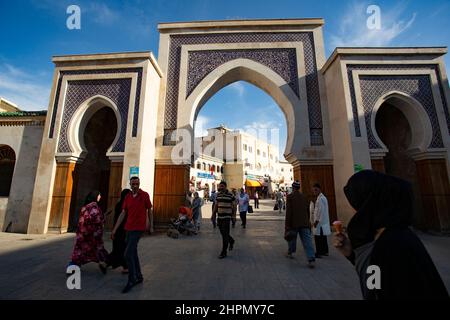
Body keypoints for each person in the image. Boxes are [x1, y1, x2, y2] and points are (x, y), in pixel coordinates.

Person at [333, 170, 449, 300]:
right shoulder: (382, 237)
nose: (354, 209)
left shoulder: (395, 243)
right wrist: (352, 255)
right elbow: (376, 280)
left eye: (356, 201)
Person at [112, 177, 152, 294]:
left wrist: (151, 224)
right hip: (128, 228)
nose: (135, 185)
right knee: (133, 252)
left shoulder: (144, 195)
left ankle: (132, 278)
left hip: (138, 228)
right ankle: (138, 276)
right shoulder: (128, 197)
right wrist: (115, 229)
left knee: (128, 253)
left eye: (137, 184)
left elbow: (149, 210)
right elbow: (123, 213)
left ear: (139, 184)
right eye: (133, 184)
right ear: (130, 184)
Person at [68, 191, 108, 274]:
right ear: (96, 196)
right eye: (99, 195)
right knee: (97, 249)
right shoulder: (94, 208)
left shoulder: (86, 207)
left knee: (79, 251)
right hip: (92, 234)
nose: (100, 197)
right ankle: (103, 263)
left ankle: (73, 267)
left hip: (83, 233)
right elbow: (97, 220)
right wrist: (104, 218)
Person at [285, 181, 316, 268]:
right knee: (307, 241)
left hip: (294, 222)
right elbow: (308, 210)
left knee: (292, 238)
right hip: (304, 222)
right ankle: (311, 258)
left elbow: (289, 212)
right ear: (299, 187)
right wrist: (308, 221)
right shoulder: (304, 197)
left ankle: (290, 252)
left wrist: (287, 224)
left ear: (293, 187)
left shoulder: (290, 197)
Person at [106, 189, 131, 273]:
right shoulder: (126, 205)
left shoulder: (118, 205)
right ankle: (106, 263)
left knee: (119, 249)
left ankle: (125, 266)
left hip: (117, 230)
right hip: (124, 230)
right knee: (122, 249)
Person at [213, 181, 236, 259]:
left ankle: (224, 252)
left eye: (222, 186)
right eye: (220, 186)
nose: (221, 187)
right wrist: (213, 214)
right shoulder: (218, 195)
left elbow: (234, 206)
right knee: (222, 233)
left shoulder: (230, 195)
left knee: (225, 235)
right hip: (219, 217)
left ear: (225, 187)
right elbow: (216, 205)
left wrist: (234, 216)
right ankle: (231, 240)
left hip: (227, 218)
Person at [311, 183, 331, 258]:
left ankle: (319, 252)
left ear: (319, 189)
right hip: (321, 222)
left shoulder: (321, 198)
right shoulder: (320, 198)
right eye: (314, 190)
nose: (315, 191)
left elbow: (321, 211)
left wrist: (316, 221)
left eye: (316, 190)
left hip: (320, 222)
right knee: (322, 237)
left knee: (318, 237)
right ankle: (325, 251)